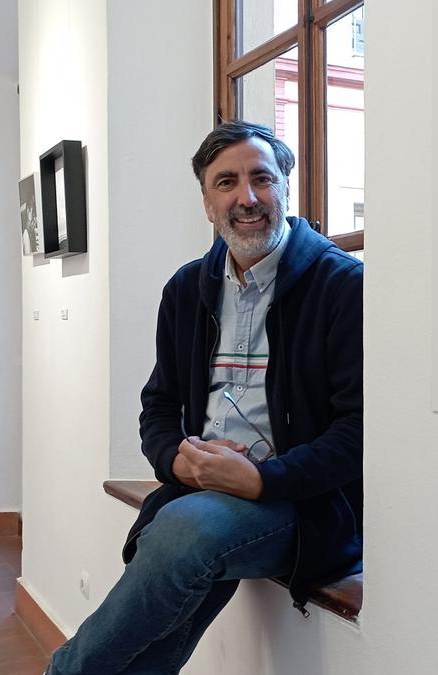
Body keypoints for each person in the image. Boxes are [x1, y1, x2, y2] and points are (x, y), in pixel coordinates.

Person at [46, 121, 363, 674]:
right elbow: (159, 406)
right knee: (177, 576)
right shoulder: (186, 289)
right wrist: (175, 459)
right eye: (227, 182)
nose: (247, 197)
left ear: (285, 187)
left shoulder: (343, 286)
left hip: (302, 503)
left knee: (183, 534)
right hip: (203, 493)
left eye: (261, 178)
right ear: (206, 202)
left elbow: (359, 432)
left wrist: (264, 479)